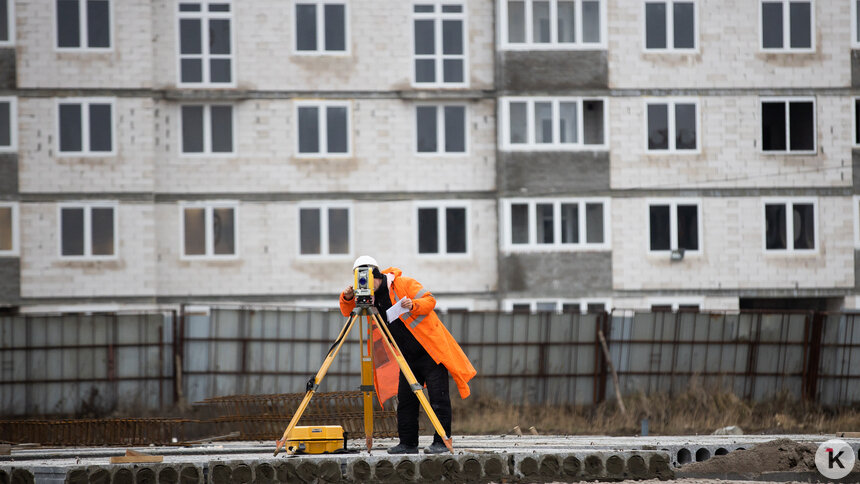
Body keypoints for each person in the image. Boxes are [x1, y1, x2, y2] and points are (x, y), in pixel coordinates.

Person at [339, 255, 476, 454]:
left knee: (439, 399)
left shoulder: (403, 284)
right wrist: (348, 297)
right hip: (407, 358)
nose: (368, 285)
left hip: (430, 353)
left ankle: (442, 442)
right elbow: (347, 311)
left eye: (370, 279)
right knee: (406, 401)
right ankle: (408, 443)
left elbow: (430, 300)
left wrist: (413, 305)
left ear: (377, 274)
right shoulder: (370, 297)